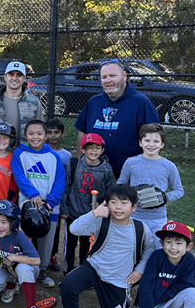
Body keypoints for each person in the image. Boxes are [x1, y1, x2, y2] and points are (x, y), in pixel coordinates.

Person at [57, 184, 156, 308]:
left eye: (124, 203)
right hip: (94, 268)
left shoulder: (140, 228)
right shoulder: (101, 221)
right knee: (67, 285)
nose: (118, 207)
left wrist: (140, 269)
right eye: (113, 202)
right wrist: (94, 213)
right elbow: (74, 229)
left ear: (134, 207)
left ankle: (125, 300)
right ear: (106, 204)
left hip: (119, 279)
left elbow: (150, 247)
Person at [74, 59, 160, 178]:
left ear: (124, 76)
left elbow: (154, 137)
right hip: (94, 172)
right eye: (104, 77)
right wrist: (80, 163)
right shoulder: (93, 102)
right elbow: (82, 132)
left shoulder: (141, 103)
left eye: (113, 76)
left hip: (128, 174)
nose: (108, 80)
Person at [11, 120, 66, 288]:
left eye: (40, 134)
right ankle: (19, 272)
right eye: (31, 134)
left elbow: (60, 181)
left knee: (46, 242)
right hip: (27, 206)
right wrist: (33, 193)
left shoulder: (54, 156)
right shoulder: (19, 154)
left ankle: (41, 270)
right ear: (25, 136)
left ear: (46, 136)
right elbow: (19, 177)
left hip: (50, 208)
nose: (35, 137)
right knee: (23, 240)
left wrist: (51, 201)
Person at [117, 123, 184, 247]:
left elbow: (179, 190)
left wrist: (163, 198)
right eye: (147, 140)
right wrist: (129, 196)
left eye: (156, 141)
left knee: (156, 251)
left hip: (157, 218)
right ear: (140, 143)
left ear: (162, 144)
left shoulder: (169, 166)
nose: (151, 145)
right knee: (132, 249)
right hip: (133, 216)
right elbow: (121, 184)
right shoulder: (131, 162)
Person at [59, 133, 116, 275]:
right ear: (82, 149)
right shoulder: (74, 164)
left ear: (102, 150)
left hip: (93, 215)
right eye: (89, 147)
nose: (94, 151)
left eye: (98, 147)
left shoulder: (106, 169)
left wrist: (104, 207)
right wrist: (64, 208)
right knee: (70, 243)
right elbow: (65, 187)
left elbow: (111, 191)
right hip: (73, 210)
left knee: (87, 244)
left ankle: (83, 271)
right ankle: (68, 271)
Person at [0, 200, 42, 308]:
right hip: (8, 268)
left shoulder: (19, 236)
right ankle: (12, 286)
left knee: (21, 268)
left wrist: (13, 257)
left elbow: (37, 260)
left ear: (13, 222)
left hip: (29, 270)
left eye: (4, 222)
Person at [0, 61, 43, 148]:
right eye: (11, 74)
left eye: (19, 75)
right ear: (5, 77)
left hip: (25, 155)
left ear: (24, 78)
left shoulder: (34, 103)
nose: (14, 78)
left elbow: (40, 132)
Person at [45, 119, 72, 271]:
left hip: (57, 198)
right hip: (41, 195)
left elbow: (66, 180)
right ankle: (36, 253)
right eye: (49, 132)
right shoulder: (40, 150)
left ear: (63, 133)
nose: (53, 136)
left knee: (54, 228)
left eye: (57, 132)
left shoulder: (66, 155)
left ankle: (51, 255)